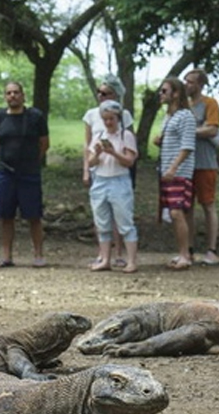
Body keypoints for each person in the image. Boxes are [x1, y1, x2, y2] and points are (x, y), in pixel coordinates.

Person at [0, 81, 50, 268]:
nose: (12, 96)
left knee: (34, 216)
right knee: (6, 215)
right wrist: (4, 158)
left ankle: (38, 255)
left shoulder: (35, 117)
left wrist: (32, 161)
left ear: (23, 95)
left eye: (16, 92)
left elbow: (44, 144)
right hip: (5, 173)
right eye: (9, 93)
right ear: (5, 96)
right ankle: (7, 256)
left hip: (29, 173)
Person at [82, 74, 134, 268]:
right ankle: (103, 255)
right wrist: (86, 170)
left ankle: (120, 253)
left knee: (121, 212)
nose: (101, 95)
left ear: (115, 94)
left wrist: (116, 154)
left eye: (105, 92)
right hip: (100, 170)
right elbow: (86, 144)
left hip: (119, 171)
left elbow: (128, 141)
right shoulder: (91, 115)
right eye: (99, 92)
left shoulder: (125, 116)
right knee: (102, 214)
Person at [153, 77, 196, 270]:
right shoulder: (169, 117)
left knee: (177, 212)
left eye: (164, 91)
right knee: (173, 212)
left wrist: (173, 168)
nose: (160, 94)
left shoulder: (186, 116)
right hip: (167, 171)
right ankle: (182, 253)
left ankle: (185, 255)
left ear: (176, 93)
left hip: (179, 172)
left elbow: (187, 146)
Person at [184, 68, 219, 266]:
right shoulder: (182, 106)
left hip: (205, 162)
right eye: (185, 81)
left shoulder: (210, 104)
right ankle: (188, 249)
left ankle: (212, 250)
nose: (186, 85)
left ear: (200, 84)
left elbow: (213, 129)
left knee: (208, 204)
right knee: (186, 207)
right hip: (186, 163)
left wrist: (190, 131)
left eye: (190, 82)